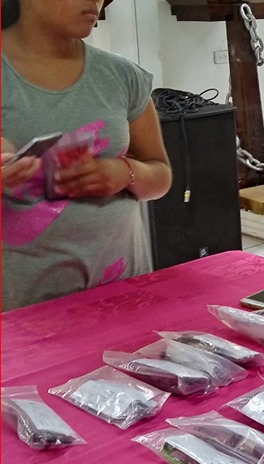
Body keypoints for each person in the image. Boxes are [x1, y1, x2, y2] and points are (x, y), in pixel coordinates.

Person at [1, 0, 172, 311]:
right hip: (26, 309)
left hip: (125, 290)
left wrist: (126, 173)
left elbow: (160, 175)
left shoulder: (121, 75)